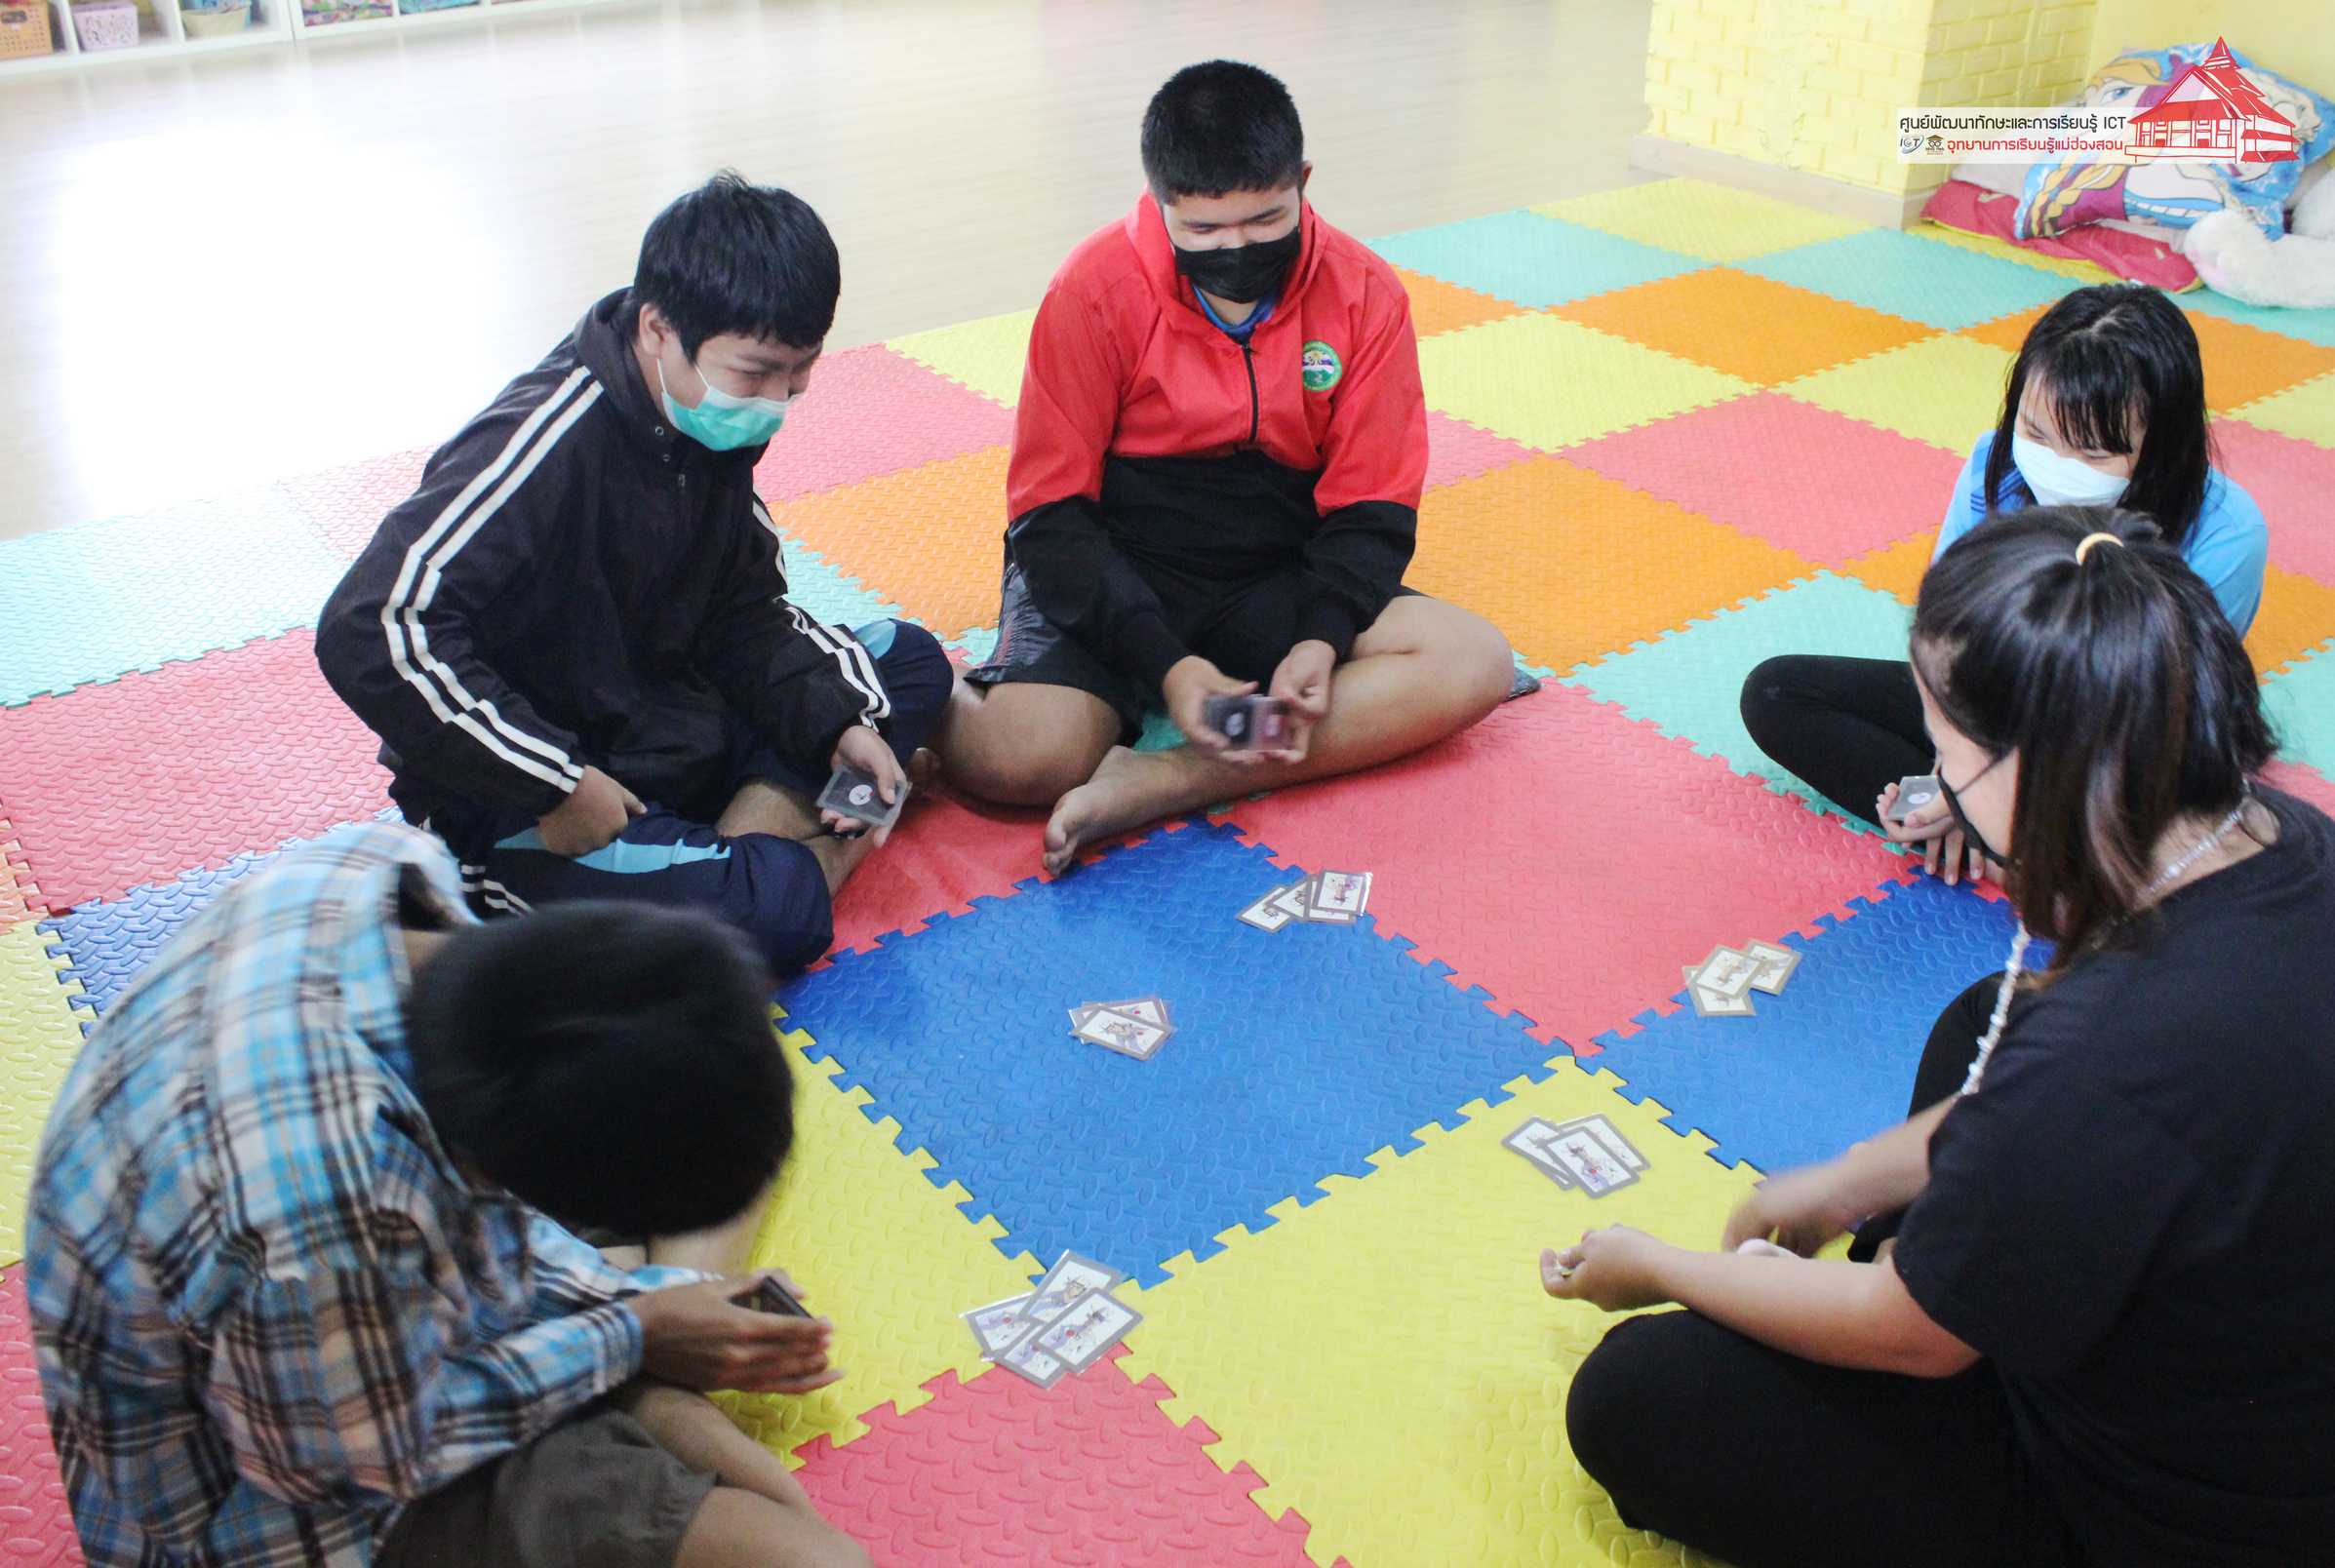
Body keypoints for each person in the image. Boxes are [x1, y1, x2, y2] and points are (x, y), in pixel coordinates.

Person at [1547, 509, 2335, 1568]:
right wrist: (1844, 1182)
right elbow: (2064, 1088)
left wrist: (1663, 1266)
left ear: (2033, 769)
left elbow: (1912, 1333)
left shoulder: (2098, 1062)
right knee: (1983, 1016)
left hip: (2175, 1511)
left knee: (1638, 1395)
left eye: (1947, 750)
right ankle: (1930, 1248)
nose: (1939, 778)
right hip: (2260, 1342)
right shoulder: (2281, 836)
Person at [25, 821, 868, 1568]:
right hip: (279, 1491)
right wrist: (630, 1327)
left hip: (328, 1330)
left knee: (717, 1429)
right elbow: (355, 1458)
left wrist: (635, 1310)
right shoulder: (327, 1214)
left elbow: (504, 1238)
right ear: (512, 1186)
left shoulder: (382, 874)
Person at [316, 173, 950, 974]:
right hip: (538, 785)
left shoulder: (708, 426)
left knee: (905, 658)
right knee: (779, 913)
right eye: (755, 373)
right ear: (657, 328)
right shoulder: (541, 441)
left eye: (800, 372)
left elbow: (744, 611)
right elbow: (371, 624)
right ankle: (767, 864)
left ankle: (711, 863)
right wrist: (555, 781)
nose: (776, 401)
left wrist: (835, 726)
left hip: (666, 725)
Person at [939, 60, 1516, 874]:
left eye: (1266, 218)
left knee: (1473, 661)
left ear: (1302, 182)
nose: (1236, 247)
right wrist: (1167, 667)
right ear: (1158, 202)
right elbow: (1049, 514)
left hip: (1267, 570)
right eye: (1204, 230)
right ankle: (908, 681)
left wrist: (1320, 638)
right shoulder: (1091, 291)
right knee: (1026, 760)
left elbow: (1373, 503)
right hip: (1114, 561)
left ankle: (1174, 775)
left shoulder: (1365, 292)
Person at [1738, 283, 2269, 885]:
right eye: (2037, 433)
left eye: (2093, 453)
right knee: (1776, 693)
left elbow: (2146, 721)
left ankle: (1986, 839)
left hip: (2116, 742)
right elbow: (1950, 639)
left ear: (2162, 448)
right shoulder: (1997, 465)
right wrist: (1956, 777)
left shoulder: (2227, 533)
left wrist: (1976, 790)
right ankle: (1980, 838)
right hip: (1990, 709)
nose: (2056, 463)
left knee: (2161, 824)